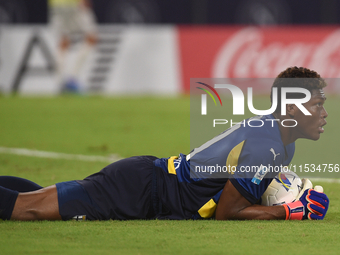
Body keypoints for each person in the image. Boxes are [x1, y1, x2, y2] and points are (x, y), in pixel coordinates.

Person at [0, 66, 329, 221]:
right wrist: (287, 211)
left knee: (44, 199)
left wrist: (282, 191)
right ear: (291, 108)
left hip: (150, 188)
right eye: (317, 105)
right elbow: (228, 213)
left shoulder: (282, 144)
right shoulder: (266, 142)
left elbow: (240, 188)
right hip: (140, 188)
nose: (324, 114)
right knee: (26, 209)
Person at [49, 0, 97, 92]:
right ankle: (72, 78)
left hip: (57, 5)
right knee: (92, 38)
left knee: (63, 42)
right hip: (74, 4)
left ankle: (60, 82)